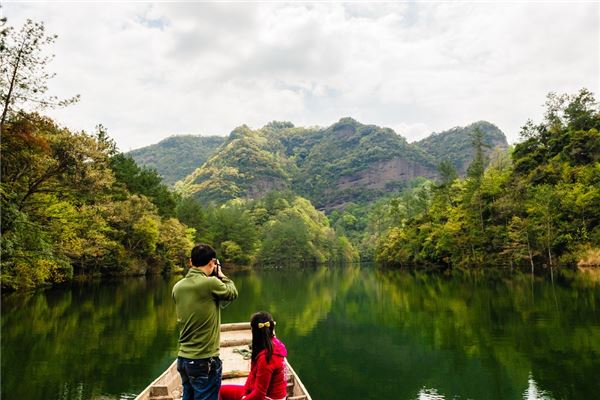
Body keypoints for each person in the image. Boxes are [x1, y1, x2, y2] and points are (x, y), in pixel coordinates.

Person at [173, 243, 239, 400]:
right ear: (212, 262)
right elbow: (232, 293)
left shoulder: (177, 287)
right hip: (204, 360)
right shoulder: (211, 284)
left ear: (190, 262)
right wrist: (221, 274)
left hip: (184, 359)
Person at [219, 311, 288, 400]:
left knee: (217, 393)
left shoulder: (266, 358)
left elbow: (259, 395)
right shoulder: (274, 345)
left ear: (254, 332)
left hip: (268, 398)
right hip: (261, 394)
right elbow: (252, 374)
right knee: (219, 390)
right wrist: (245, 393)